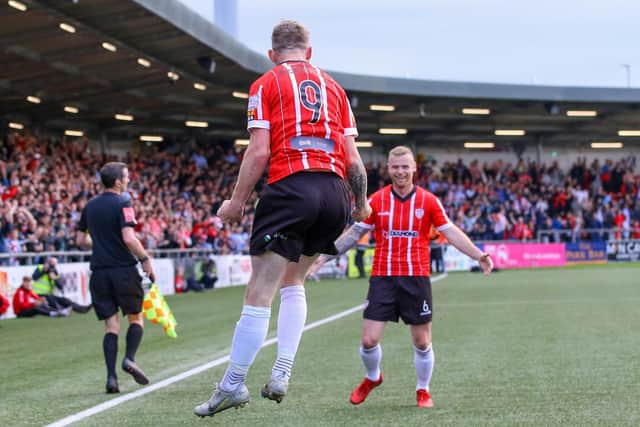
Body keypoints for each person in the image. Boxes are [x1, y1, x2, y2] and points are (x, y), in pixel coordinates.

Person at [194, 20, 371, 417]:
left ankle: (232, 385)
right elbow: (354, 161)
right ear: (310, 52)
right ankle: (282, 371)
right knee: (296, 280)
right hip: (335, 194)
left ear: (272, 54)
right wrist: (359, 204)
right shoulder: (336, 90)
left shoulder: (267, 83)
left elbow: (259, 151)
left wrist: (236, 202)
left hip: (292, 188)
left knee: (260, 290)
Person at [310, 146, 493, 408]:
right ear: (388, 169)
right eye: (396, 167)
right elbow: (352, 234)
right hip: (383, 277)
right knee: (368, 340)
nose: (401, 171)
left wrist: (478, 255)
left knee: (421, 341)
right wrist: (321, 258)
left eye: (405, 166)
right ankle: (372, 377)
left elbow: (450, 232)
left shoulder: (428, 201)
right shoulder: (376, 200)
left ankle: (423, 390)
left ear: (414, 169)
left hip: (416, 278)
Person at [77, 162, 156, 394]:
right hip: (123, 270)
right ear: (118, 181)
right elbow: (129, 238)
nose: (129, 180)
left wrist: (101, 243)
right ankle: (129, 359)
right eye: (127, 176)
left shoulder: (89, 206)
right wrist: (145, 258)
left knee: (111, 326)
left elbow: (81, 241)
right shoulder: (124, 202)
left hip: (99, 273)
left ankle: (111, 379)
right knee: (136, 318)